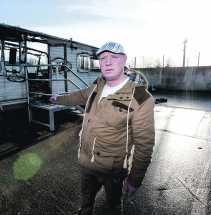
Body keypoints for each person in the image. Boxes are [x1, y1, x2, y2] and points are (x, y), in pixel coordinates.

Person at [50, 42, 155, 215]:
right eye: (102, 58)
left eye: (113, 57)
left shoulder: (141, 98)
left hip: (112, 171)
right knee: (85, 201)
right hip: (85, 162)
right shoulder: (97, 85)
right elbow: (79, 95)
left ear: (124, 60)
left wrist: (135, 179)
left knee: (112, 207)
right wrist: (58, 99)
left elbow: (145, 144)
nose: (107, 62)